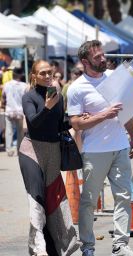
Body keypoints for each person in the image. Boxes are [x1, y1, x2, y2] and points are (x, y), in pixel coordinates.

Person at [67, 40, 133, 256]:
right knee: (89, 201)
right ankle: (88, 247)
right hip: (94, 151)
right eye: (97, 57)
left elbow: (124, 112)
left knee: (124, 196)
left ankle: (120, 245)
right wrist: (103, 115)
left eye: (102, 55)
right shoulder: (77, 88)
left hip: (119, 146)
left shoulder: (114, 80)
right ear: (84, 61)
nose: (102, 59)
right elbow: (76, 123)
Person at [18, 60, 79, 256]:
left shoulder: (58, 96)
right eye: (42, 73)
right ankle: (38, 247)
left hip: (53, 151)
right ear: (34, 76)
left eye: (49, 73)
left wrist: (76, 120)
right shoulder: (29, 97)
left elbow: (58, 126)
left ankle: (58, 246)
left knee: (54, 199)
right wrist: (46, 107)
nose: (47, 76)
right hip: (31, 151)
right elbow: (33, 124)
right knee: (37, 198)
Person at [1, 67, 27, 156]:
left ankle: (9, 150)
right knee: (20, 132)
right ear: (20, 75)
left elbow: (3, 98)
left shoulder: (6, 85)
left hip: (9, 111)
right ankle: (18, 150)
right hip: (20, 112)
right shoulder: (24, 86)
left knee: (9, 130)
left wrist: (4, 104)